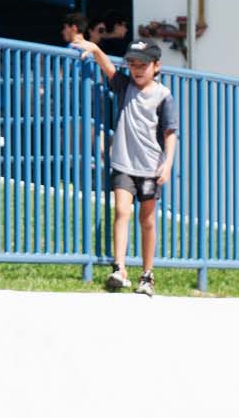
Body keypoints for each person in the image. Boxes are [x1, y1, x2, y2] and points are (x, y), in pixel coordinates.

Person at [70, 38, 178, 296]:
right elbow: (108, 68)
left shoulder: (163, 96)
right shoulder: (124, 86)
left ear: (156, 66)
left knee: (147, 220)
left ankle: (147, 273)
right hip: (123, 163)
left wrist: (168, 164)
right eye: (132, 64)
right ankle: (119, 268)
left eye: (143, 64)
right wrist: (95, 48)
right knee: (121, 210)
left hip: (151, 166)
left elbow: (170, 132)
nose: (137, 69)